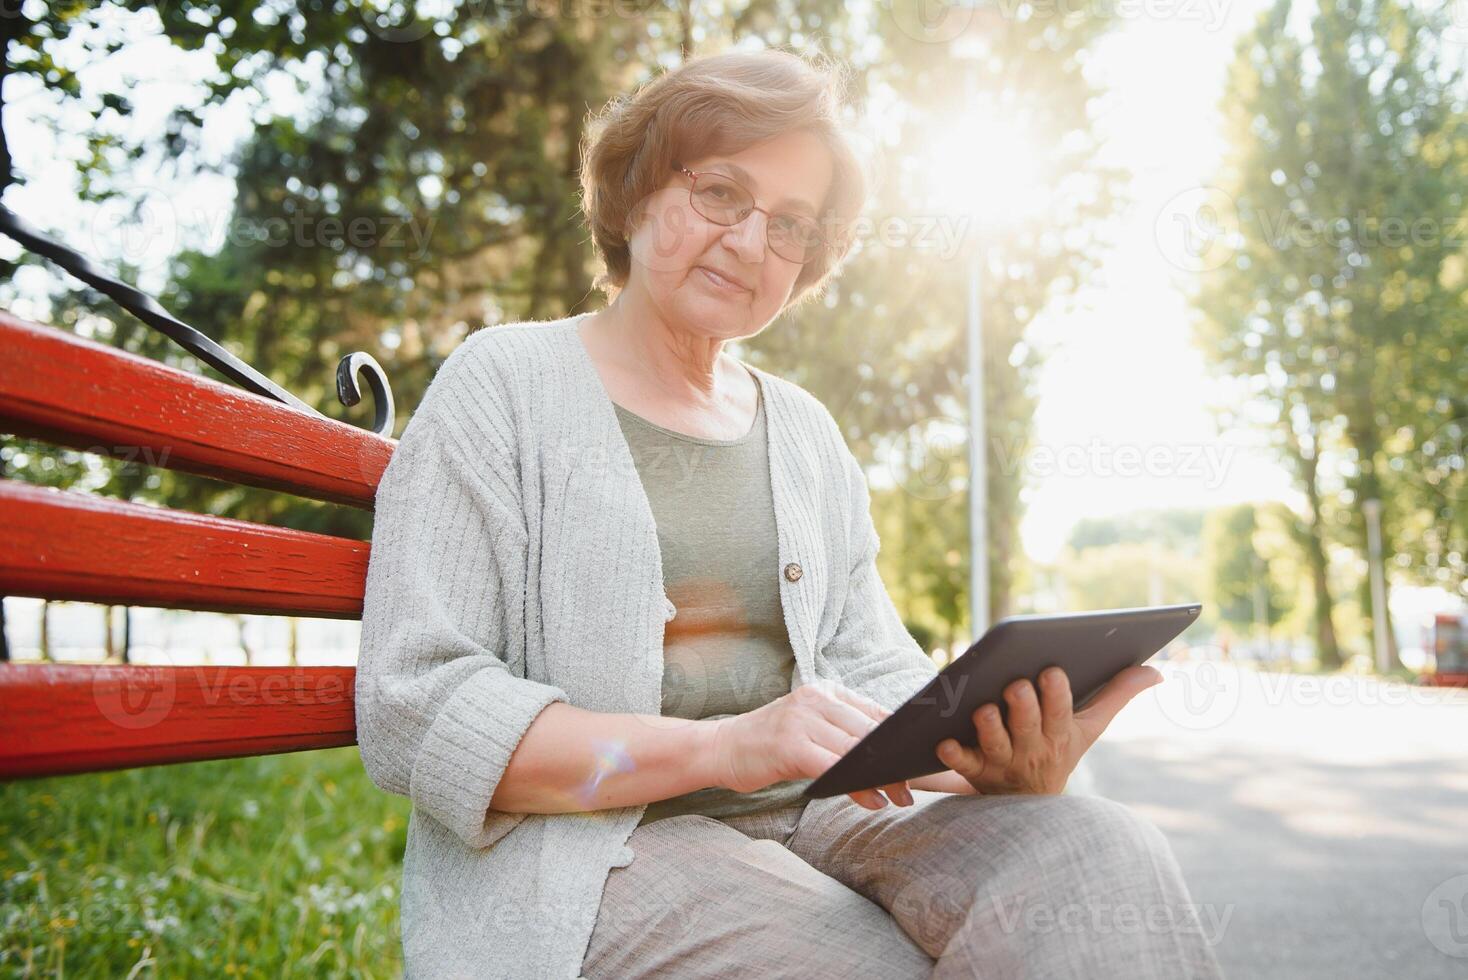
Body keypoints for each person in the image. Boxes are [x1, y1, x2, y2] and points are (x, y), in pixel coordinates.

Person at [355, 47, 1226, 979]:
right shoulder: (504, 384)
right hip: (592, 848)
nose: (747, 242)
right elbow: (417, 708)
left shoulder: (805, 433)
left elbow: (871, 667)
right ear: (641, 187)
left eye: (791, 225)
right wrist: (722, 747)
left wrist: (989, 753)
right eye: (721, 192)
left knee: (1101, 857)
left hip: (823, 816)